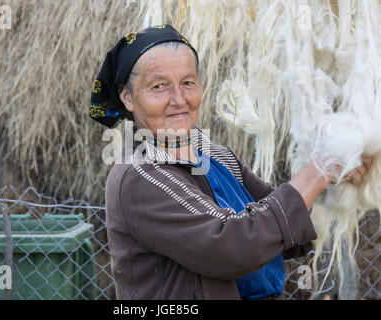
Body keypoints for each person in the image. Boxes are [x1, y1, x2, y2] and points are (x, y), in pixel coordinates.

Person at [89, 25, 372, 300]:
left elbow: (281, 227)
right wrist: (319, 170)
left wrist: (337, 170)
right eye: (159, 86)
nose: (179, 99)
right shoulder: (140, 174)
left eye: (188, 83)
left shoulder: (215, 156)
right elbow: (232, 245)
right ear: (127, 97)